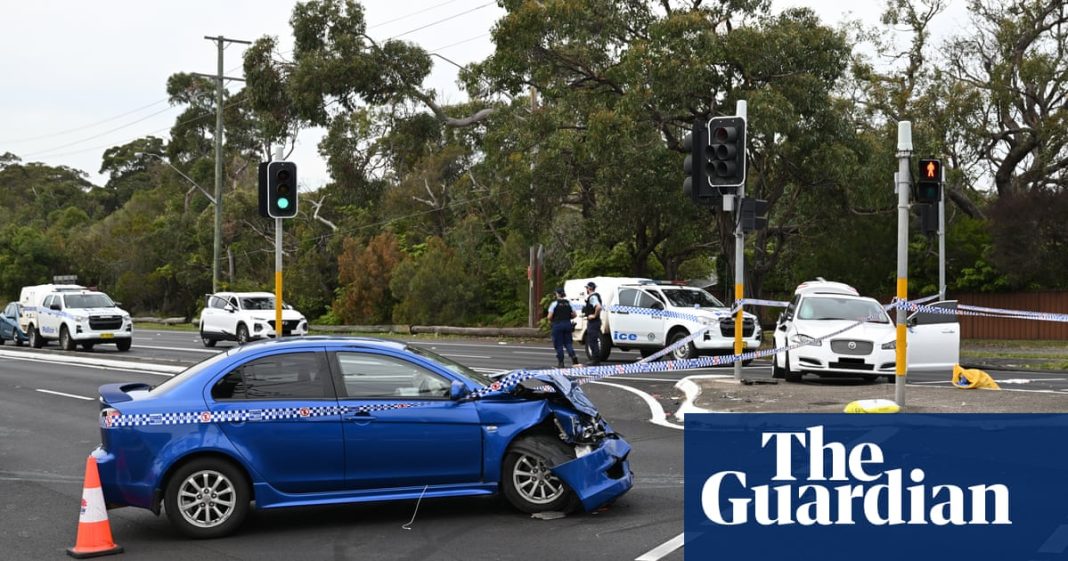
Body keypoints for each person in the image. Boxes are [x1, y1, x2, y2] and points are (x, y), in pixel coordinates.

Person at [547, 288, 580, 368]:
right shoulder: (569, 303)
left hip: (558, 325)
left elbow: (549, 316)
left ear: (558, 294)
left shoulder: (554, 304)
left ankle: (561, 362)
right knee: (568, 343)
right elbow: (574, 315)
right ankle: (574, 359)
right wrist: (568, 317)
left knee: (559, 344)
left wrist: (553, 319)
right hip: (567, 324)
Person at [583, 281, 603, 365]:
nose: (586, 290)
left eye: (587, 288)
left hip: (593, 322)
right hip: (595, 322)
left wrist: (594, 315)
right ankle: (596, 359)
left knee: (592, 341)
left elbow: (598, 307)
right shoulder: (596, 296)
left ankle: (596, 360)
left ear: (589, 288)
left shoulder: (592, 297)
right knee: (593, 340)